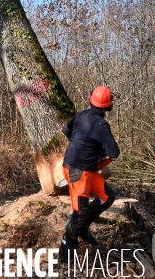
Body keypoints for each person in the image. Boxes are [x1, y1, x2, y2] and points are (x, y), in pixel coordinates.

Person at [58, 86, 120, 263]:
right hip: (79, 171)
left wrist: (84, 144)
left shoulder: (80, 116)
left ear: (90, 99)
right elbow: (114, 152)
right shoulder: (101, 125)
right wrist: (96, 150)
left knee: (107, 196)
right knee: (78, 212)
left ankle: (82, 228)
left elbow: (66, 130)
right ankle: (65, 253)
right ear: (108, 105)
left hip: (84, 169)